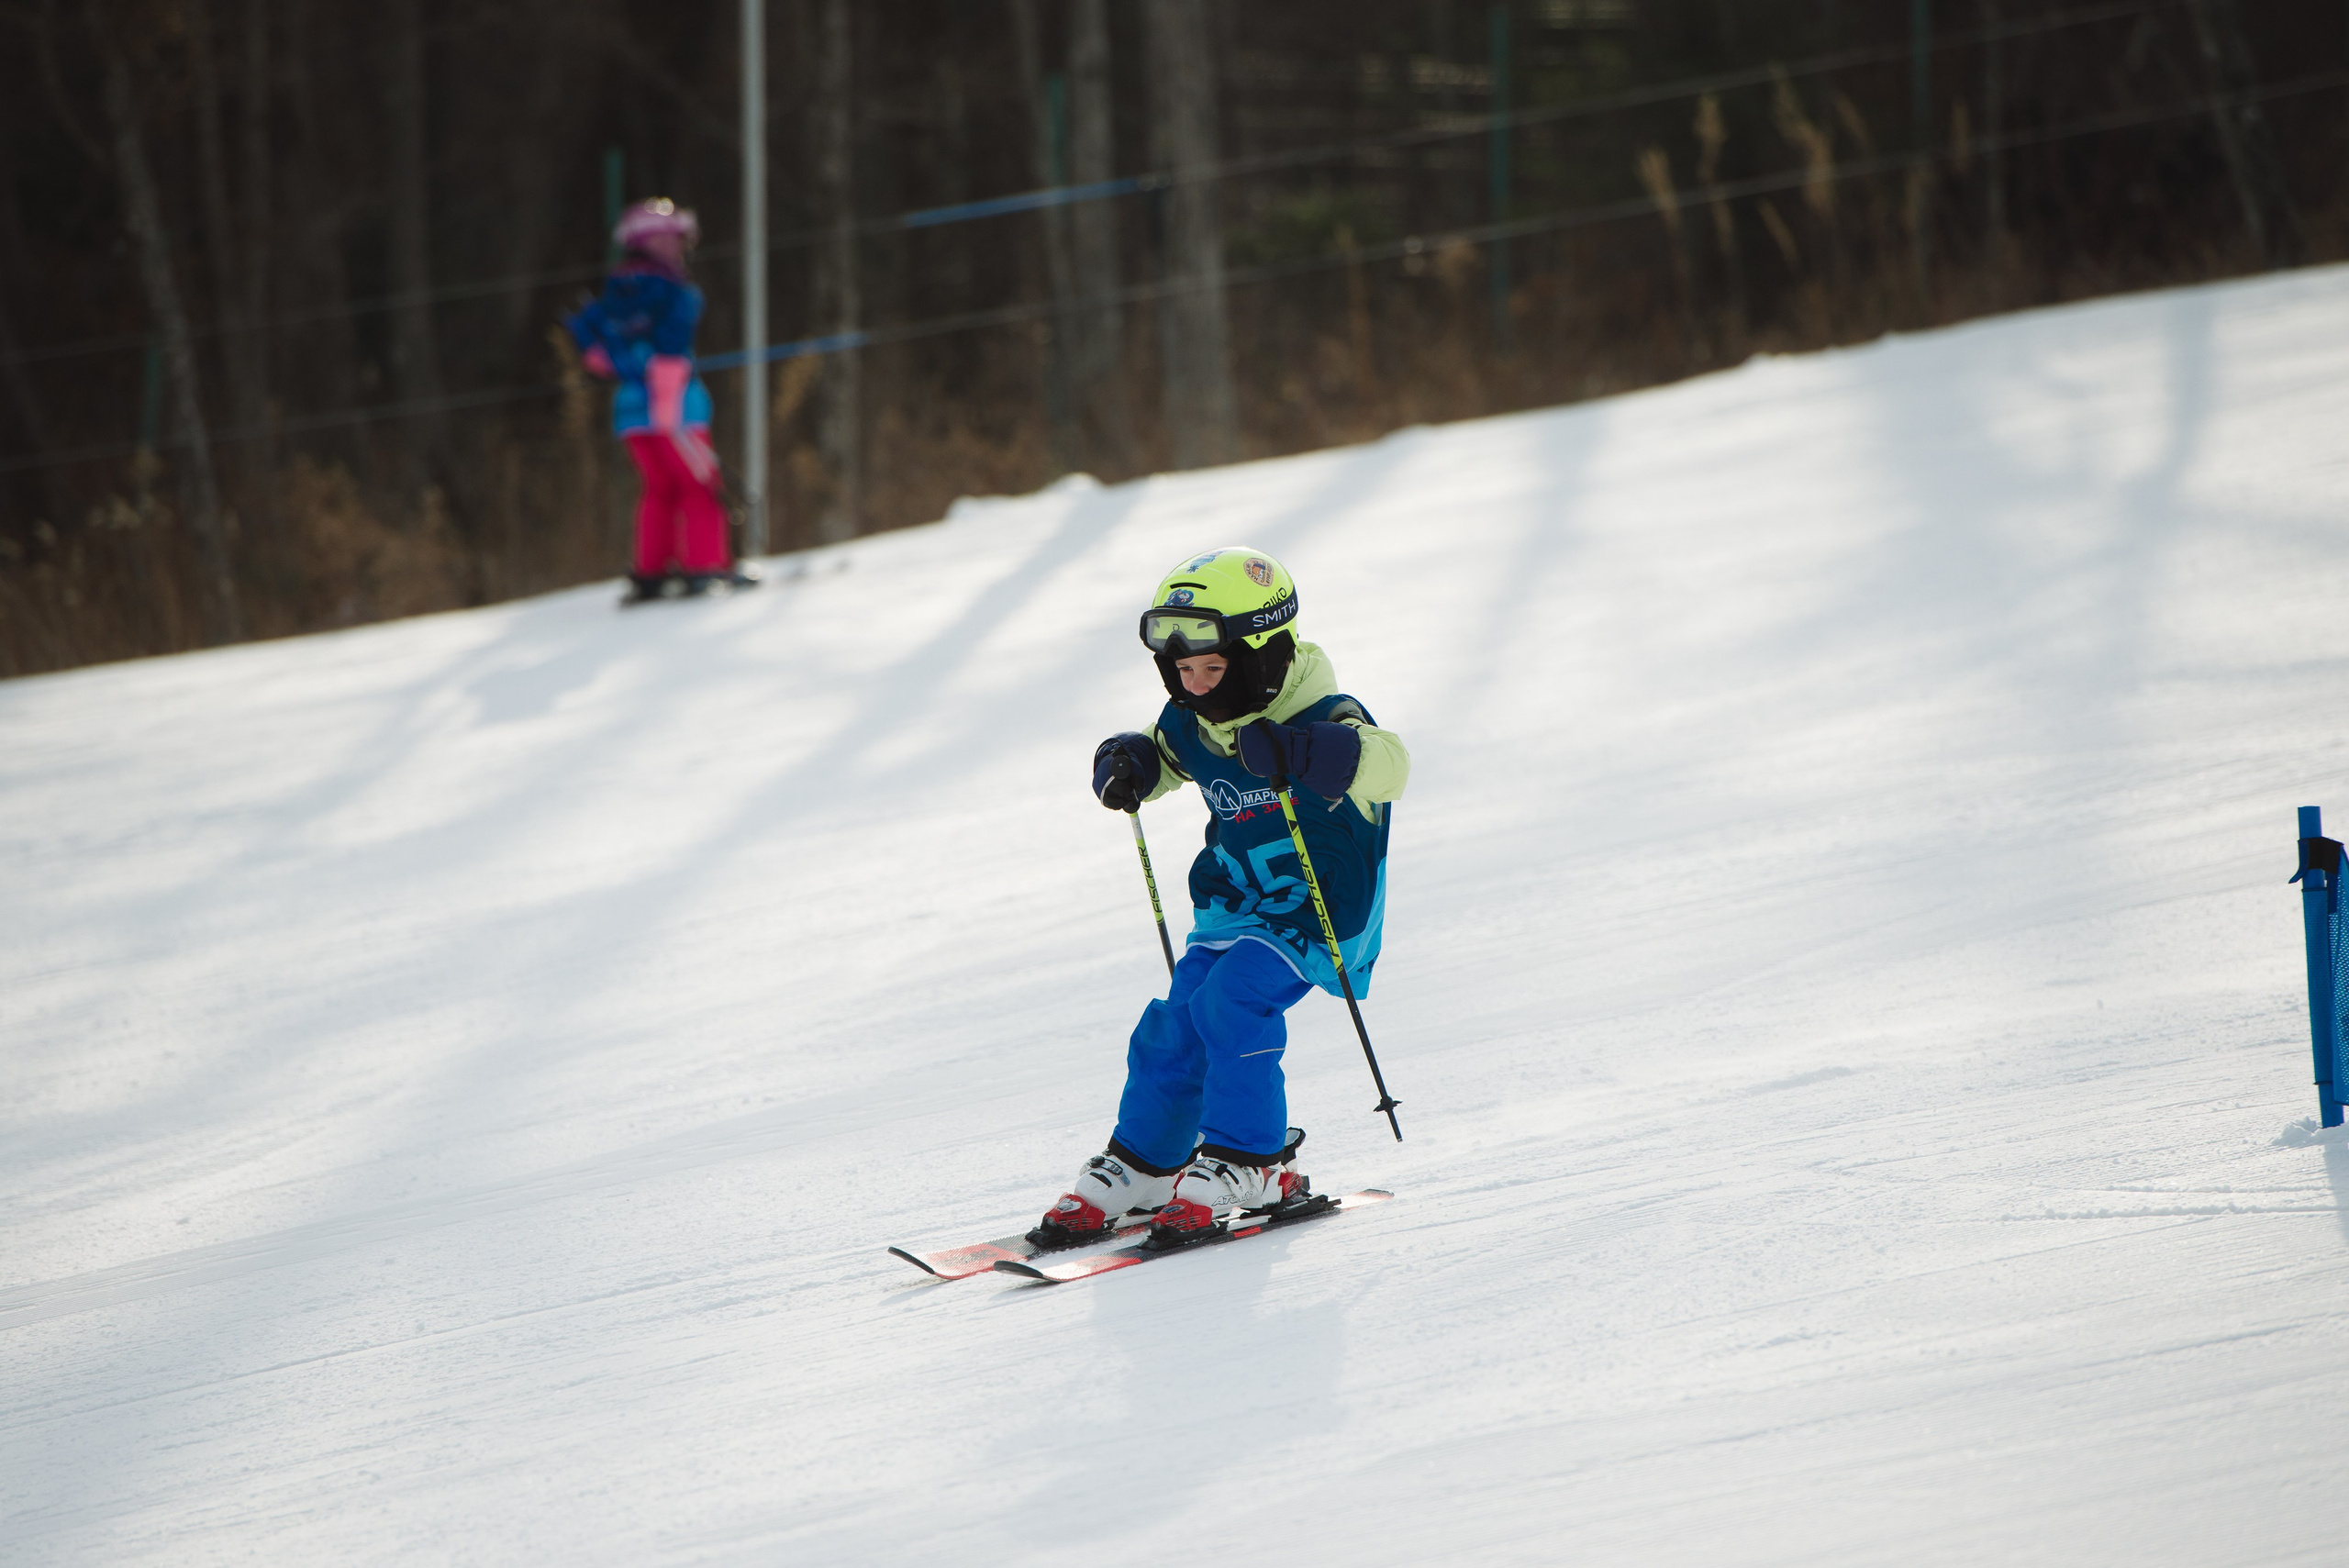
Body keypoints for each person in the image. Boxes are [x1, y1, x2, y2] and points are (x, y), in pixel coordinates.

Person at [1033, 547, 1409, 1248]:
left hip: (1319, 910)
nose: (1197, 686)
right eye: (1182, 671)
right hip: (1237, 904)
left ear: (1263, 655)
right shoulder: (1195, 720)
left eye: (1213, 668)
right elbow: (1164, 750)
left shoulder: (1326, 713)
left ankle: (1255, 1161)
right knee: (1178, 1018)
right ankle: (1149, 1162)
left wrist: (1307, 754)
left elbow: (1392, 766)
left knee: (1232, 999)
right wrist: (1131, 764)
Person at [563, 198, 752, 604]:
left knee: (660, 488)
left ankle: (651, 571)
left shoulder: (617, 292)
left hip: (630, 411)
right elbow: (669, 348)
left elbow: (595, 351)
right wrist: (667, 405)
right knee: (700, 485)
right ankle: (706, 566)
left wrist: (615, 363)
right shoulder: (673, 292)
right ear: (647, 242)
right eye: (670, 240)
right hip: (674, 410)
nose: (678, 248)